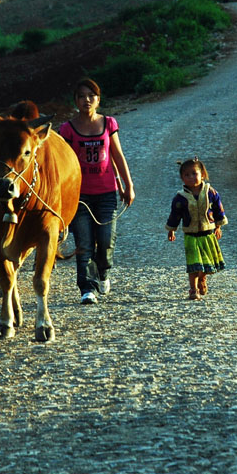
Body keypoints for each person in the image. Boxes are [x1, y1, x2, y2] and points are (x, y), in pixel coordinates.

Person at [59, 78, 135, 305]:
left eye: (91, 95)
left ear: (98, 100)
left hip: (107, 192)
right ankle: (87, 288)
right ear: (75, 101)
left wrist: (128, 186)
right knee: (84, 243)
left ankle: (103, 272)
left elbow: (117, 155)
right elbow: (63, 163)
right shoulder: (67, 129)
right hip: (78, 196)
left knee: (106, 240)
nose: (86, 100)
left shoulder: (109, 123)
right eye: (81, 96)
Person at [166, 156, 227, 300]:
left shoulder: (210, 193)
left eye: (194, 173)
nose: (191, 177)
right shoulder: (180, 198)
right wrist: (171, 229)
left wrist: (218, 226)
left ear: (202, 175)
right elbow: (175, 215)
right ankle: (193, 289)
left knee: (206, 263)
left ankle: (202, 278)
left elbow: (219, 210)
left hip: (208, 233)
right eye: (187, 175)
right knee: (193, 263)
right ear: (182, 178)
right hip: (191, 236)